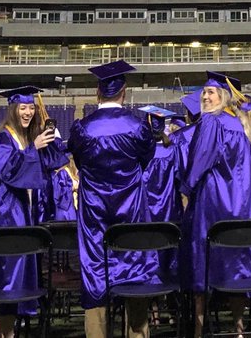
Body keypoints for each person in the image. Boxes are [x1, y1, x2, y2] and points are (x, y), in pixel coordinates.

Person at [67, 61, 154, 338]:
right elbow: (146, 160)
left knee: (96, 272)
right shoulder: (138, 127)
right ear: (124, 93)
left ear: (98, 92)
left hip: (95, 213)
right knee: (135, 269)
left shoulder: (82, 129)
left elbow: (79, 164)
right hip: (131, 210)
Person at [0, 84, 67, 338]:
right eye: (23, 107)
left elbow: (51, 161)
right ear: (13, 109)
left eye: (31, 107)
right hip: (7, 219)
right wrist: (34, 149)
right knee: (7, 283)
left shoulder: (29, 137)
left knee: (15, 285)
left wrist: (52, 139)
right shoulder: (3, 138)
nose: (28, 112)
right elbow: (9, 171)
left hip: (23, 217)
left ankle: (4, 333)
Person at [180, 71, 251, 338]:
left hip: (212, 204)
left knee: (203, 265)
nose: (205, 96)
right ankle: (238, 329)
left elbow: (200, 161)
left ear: (223, 97)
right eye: (204, 93)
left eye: (211, 92)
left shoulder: (210, 123)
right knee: (236, 265)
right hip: (239, 203)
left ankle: (199, 331)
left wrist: (186, 189)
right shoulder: (238, 125)